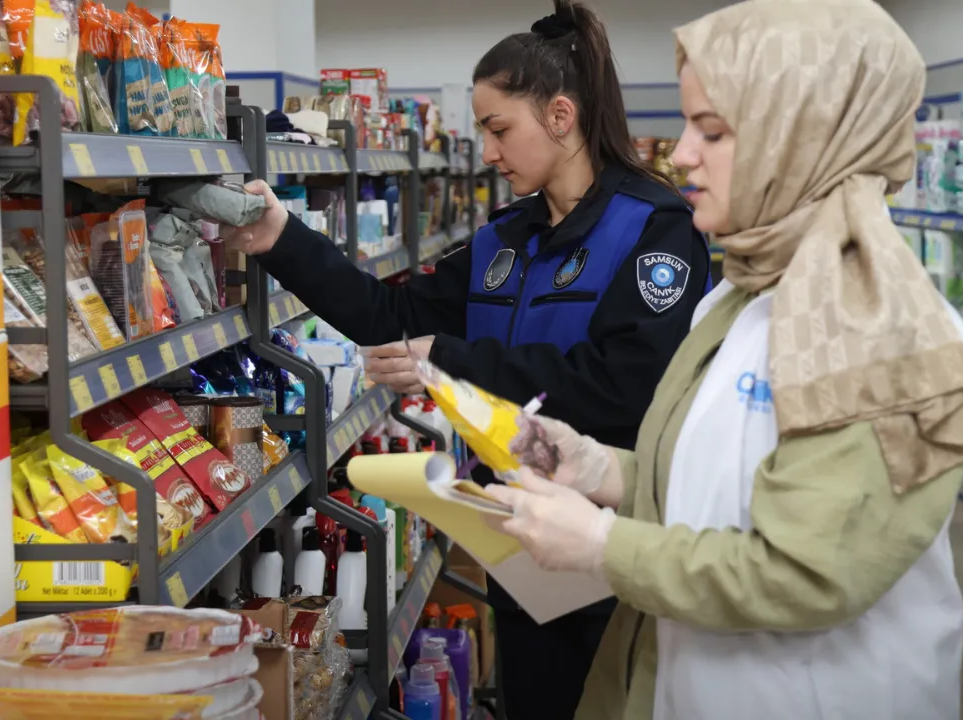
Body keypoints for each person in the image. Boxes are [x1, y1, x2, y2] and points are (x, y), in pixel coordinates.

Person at [484, 1, 963, 718]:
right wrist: (598, 468)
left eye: (712, 131)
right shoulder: (742, 300)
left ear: (803, 138)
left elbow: (805, 571)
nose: (682, 154)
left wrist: (601, 547)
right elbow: (716, 483)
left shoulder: (887, 334)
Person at [228, 1, 711, 714]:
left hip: (615, 549)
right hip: (518, 543)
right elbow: (387, 314)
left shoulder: (655, 230)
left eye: (497, 129)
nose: (486, 152)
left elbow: (624, 391)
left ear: (559, 116)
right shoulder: (504, 240)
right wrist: (282, 237)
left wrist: (449, 359)